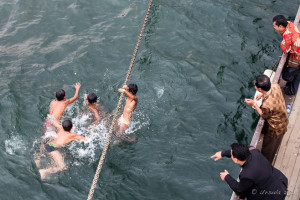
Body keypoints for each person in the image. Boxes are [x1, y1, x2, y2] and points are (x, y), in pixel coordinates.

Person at [211, 143, 288, 200]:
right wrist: (222, 153)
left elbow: (239, 190)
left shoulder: (246, 174)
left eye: (231, 155)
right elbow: (239, 152)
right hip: (280, 180)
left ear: (236, 160)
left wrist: (227, 177)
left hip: (273, 196)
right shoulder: (253, 151)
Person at [245, 75, 288, 163]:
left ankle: (266, 166)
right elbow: (270, 90)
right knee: (275, 145)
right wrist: (262, 95)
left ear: (260, 89)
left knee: (267, 150)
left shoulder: (267, 105)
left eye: (255, 85)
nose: (254, 86)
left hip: (275, 129)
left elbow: (263, 115)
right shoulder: (275, 85)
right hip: (283, 120)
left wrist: (254, 104)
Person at [273, 15, 300, 95]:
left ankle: (291, 91)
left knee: (286, 76)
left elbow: (286, 49)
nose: (274, 27)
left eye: (275, 26)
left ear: (280, 26)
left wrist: (282, 43)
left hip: (298, 57)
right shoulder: (290, 24)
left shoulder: (287, 36)